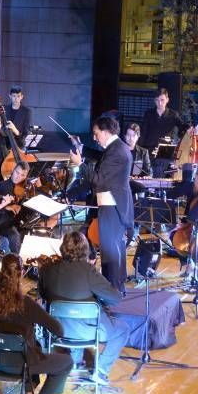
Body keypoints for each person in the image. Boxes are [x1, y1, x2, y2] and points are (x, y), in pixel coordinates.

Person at [0, 254, 73, 394]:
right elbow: (59, 330)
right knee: (66, 361)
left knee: (30, 345)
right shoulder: (26, 304)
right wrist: (39, 313)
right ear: (22, 272)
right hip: (22, 364)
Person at [38, 231, 131, 384]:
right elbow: (115, 298)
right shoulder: (89, 271)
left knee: (72, 314)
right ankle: (101, 370)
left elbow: (43, 295)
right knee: (123, 330)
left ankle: (74, 363)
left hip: (57, 329)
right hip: (85, 331)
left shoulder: (47, 270)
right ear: (85, 250)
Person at [69, 115, 133, 293]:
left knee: (111, 253)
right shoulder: (116, 147)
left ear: (105, 132)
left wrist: (80, 164)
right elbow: (102, 157)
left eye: (96, 133)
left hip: (113, 208)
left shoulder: (118, 152)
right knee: (112, 251)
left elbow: (98, 180)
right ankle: (115, 289)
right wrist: (81, 147)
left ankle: (113, 291)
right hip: (111, 205)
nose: (95, 137)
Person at [139, 88, 189, 178]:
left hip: (165, 150)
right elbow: (143, 132)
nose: (160, 103)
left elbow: (182, 127)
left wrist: (190, 129)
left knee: (163, 176)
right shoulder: (148, 114)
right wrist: (140, 149)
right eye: (157, 100)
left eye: (162, 100)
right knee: (148, 174)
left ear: (167, 100)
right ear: (154, 101)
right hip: (149, 149)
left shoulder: (173, 115)